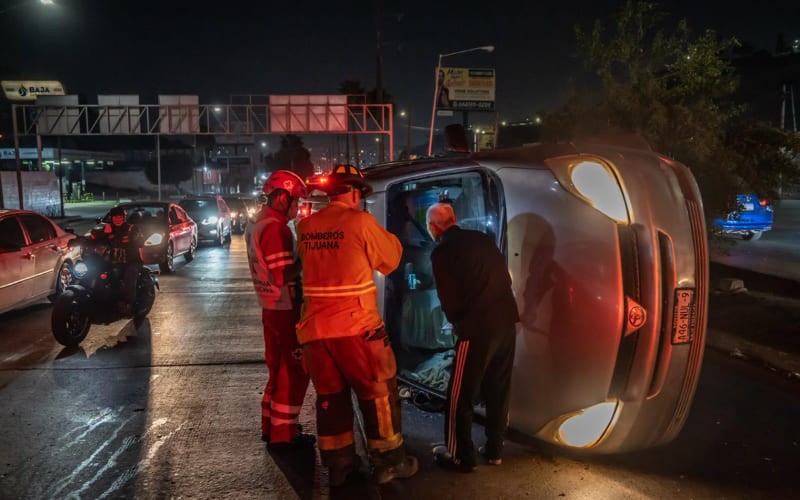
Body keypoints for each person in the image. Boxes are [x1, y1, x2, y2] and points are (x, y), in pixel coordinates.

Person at [296, 164, 418, 486]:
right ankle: (389, 462)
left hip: (315, 333)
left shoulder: (306, 226)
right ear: (354, 192)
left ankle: (339, 466)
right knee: (378, 394)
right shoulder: (361, 222)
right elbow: (390, 260)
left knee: (330, 399)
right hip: (356, 330)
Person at [426, 202, 519, 472]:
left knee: (459, 394)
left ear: (434, 227)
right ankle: (494, 450)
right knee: (498, 389)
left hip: (476, 328)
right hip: (506, 321)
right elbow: (505, 280)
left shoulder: (442, 251)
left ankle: (459, 455)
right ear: (455, 218)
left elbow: (448, 298)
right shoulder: (483, 239)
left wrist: (457, 324)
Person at [245, 170, 315, 449]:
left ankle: (270, 427)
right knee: (294, 369)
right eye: (296, 201)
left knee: (276, 369)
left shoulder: (256, 223)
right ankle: (285, 435)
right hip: (285, 309)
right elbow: (282, 273)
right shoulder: (276, 227)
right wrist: (307, 258)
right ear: (283, 197)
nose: (297, 207)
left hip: (270, 307)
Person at [101, 206, 144, 315]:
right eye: (115, 218)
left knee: (130, 273)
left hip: (131, 261)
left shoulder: (132, 228)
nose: (117, 220)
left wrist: (134, 239)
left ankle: (128, 303)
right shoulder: (108, 228)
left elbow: (141, 242)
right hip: (113, 261)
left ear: (124, 217)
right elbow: (93, 238)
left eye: (120, 217)